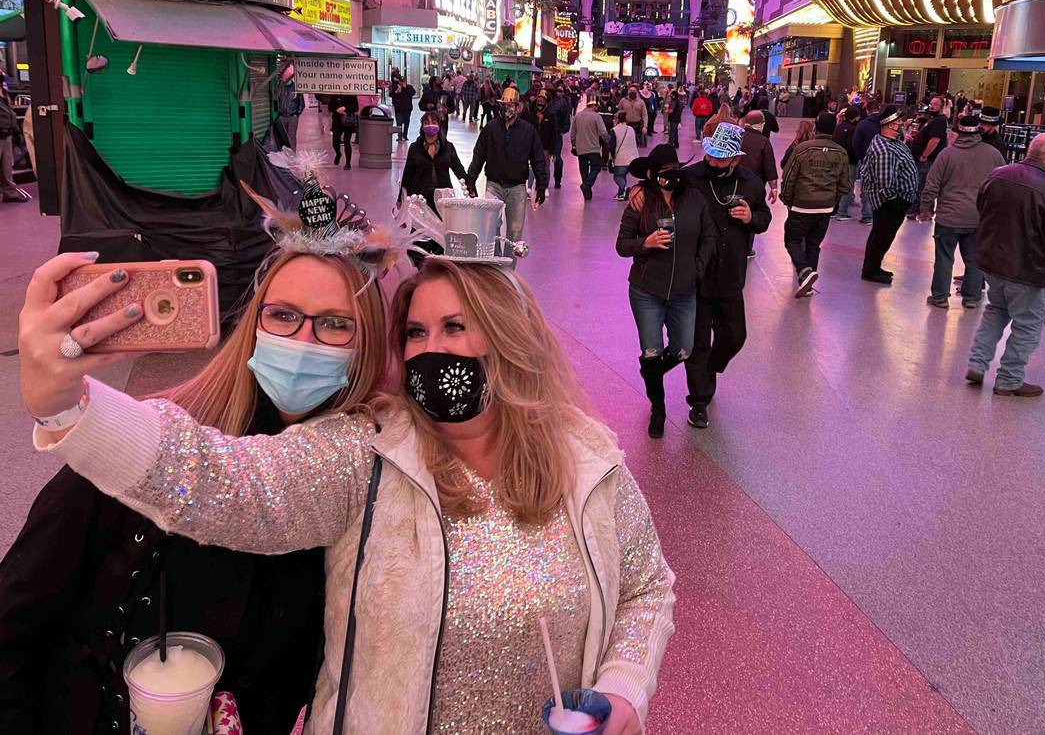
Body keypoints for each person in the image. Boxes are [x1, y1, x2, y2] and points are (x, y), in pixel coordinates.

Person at [21, 246, 675, 733]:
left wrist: (623, 687)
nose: (429, 351)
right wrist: (70, 408)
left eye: (455, 328)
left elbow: (647, 585)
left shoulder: (588, 463)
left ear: (510, 337)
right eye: (415, 333)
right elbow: (227, 483)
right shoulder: (367, 452)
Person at [1, 166, 393, 732]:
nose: (302, 342)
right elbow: (16, 626)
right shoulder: (142, 445)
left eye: (335, 324)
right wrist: (68, 408)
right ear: (253, 322)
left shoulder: (367, 472)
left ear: (367, 343)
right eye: (282, 316)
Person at [633, 124, 770, 429]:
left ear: (736, 158)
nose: (713, 161)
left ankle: (709, 368)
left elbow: (764, 219)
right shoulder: (691, 177)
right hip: (694, 276)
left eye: (721, 158)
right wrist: (637, 190)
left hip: (731, 274)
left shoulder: (751, 184)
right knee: (697, 342)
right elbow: (657, 183)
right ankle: (699, 400)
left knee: (735, 336)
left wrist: (751, 218)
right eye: (711, 155)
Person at [965, 133, 1045, 397]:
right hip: (1028, 266)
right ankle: (1009, 379)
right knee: (1028, 323)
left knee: (996, 310)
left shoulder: (998, 174)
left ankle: (977, 363)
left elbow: (982, 206)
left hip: (992, 259)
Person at [616, 144, 717, 437]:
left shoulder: (694, 198)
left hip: (685, 292)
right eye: (663, 173)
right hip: (646, 290)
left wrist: (696, 268)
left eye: (674, 171)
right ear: (652, 175)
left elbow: (709, 235)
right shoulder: (640, 201)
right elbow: (622, 244)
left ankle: (650, 372)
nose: (670, 177)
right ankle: (657, 407)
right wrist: (645, 243)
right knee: (651, 350)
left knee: (684, 349)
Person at [917, 115, 1005, 309]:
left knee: (944, 257)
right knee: (974, 259)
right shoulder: (993, 155)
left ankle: (940, 297)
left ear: (958, 132)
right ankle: (972, 297)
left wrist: (926, 209)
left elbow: (931, 186)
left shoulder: (947, 155)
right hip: (979, 218)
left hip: (949, 217)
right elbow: (1002, 186)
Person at [778, 112, 850, 298]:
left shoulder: (802, 149)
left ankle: (804, 270)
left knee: (792, 240)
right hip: (825, 207)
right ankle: (807, 284)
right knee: (813, 244)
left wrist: (787, 199)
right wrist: (833, 202)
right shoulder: (841, 152)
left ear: (816, 127)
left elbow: (789, 176)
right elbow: (844, 184)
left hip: (802, 205)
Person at [466, 86, 547, 247]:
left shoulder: (528, 131)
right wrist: (471, 179)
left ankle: (508, 269)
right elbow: (479, 154)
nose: (506, 108)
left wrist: (542, 185)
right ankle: (495, 265)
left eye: (510, 105)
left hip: (517, 187)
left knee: (515, 233)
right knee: (490, 229)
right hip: (493, 185)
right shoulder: (491, 128)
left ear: (518, 107)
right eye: (503, 105)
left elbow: (538, 159)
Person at [859, 106, 919, 284]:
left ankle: (874, 266)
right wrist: (897, 202)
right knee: (881, 236)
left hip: (894, 202)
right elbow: (885, 182)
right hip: (890, 204)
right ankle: (870, 270)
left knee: (883, 236)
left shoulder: (893, 142)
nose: (902, 124)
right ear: (889, 125)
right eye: (899, 122)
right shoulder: (884, 149)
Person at [399, 112, 470, 213]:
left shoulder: (448, 147)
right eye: (426, 123)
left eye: (434, 122)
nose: (430, 125)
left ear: (439, 125)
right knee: (419, 227)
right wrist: (400, 199)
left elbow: (458, 169)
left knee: (443, 226)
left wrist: (471, 189)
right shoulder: (415, 148)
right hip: (419, 197)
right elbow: (407, 174)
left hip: (443, 197)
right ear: (422, 126)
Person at [907, 96, 948, 218]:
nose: (932, 106)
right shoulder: (932, 119)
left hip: (927, 160)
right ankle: (924, 210)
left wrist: (925, 155)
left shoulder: (940, 121)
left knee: (921, 185)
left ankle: (920, 210)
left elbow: (935, 140)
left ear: (941, 107)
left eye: (935, 104)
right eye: (931, 103)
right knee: (920, 183)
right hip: (921, 158)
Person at [571, 94, 610, 201]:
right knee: (596, 168)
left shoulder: (578, 116)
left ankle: (587, 192)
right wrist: (608, 140)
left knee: (583, 170)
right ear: (593, 106)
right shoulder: (596, 117)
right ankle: (587, 185)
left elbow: (573, 133)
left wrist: (574, 145)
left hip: (581, 149)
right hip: (593, 148)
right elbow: (603, 132)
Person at [850, 102, 882, 225]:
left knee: (867, 188)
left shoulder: (862, 124)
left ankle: (868, 215)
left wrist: (861, 157)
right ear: (879, 109)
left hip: (867, 160)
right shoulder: (886, 123)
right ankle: (879, 214)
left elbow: (856, 143)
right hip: (884, 161)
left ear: (867, 111)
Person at [0, 85, 30, 202]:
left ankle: (10, 193)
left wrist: (15, 129)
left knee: (6, 167)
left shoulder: (4, 91)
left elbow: (9, 112)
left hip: (6, 133)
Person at [831, 106, 862, 220]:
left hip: (837, 161)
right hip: (850, 161)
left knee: (838, 184)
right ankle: (842, 212)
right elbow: (852, 146)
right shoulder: (854, 130)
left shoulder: (839, 127)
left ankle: (834, 209)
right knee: (848, 186)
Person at [611, 110, 640, 201]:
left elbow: (612, 146)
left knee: (618, 176)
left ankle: (625, 189)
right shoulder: (631, 129)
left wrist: (612, 157)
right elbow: (637, 142)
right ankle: (621, 194)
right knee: (623, 175)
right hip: (633, 158)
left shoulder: (614, 130)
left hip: (621, 158)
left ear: (617, 119)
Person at [332, 93, 361, 170]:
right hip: (337, 121)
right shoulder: (335, 94)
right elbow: (330, 106)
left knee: (347, 141)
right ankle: (338, 153)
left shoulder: (351, 94)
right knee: (335, 142)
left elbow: (356, 107)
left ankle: (348, 163)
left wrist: (345, 108)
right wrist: (337, 110)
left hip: (348, 121)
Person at [389, 71, 416, 141]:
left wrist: (406, 87)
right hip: (399, 109)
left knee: (406, 123)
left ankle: (405, 135)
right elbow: (390, 94)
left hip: (407, 108)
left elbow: (413, 92)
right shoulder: (396, 87)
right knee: (399, 122)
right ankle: (400, 136)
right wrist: (396, 92)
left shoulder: (409, 87)